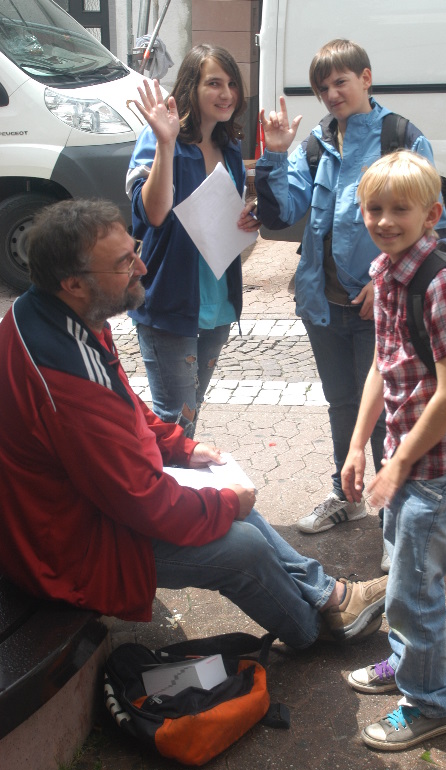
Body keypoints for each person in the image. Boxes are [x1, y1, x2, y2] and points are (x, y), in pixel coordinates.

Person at [0, 198, 387, 650]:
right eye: (124, 263)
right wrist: (226, 504)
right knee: (241, 546)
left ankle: (331, 597)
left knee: (222, 492)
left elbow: (122, 408)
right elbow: (140, 502)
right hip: (68, 550)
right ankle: (312, 634)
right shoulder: (68, 379)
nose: (142, 267)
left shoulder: (54, 314)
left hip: (80, 508)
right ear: (74, 284)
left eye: (134, 249)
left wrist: (182, 448)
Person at [255, 39, 446, 559]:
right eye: (323, 88)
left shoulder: (400, 137)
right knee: (343, 405)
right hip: (323, 304)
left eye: (341, 82)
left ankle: (393, 516)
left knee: (389, 411)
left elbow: (434, 223)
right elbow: (282, 211)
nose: (332, 94)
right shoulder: (317, 143)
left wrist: (384, 282)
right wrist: (274, 154)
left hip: (378, 306)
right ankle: (349, 495)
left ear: (366, 78)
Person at [341, 151, 446, 751]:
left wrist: (398, 465)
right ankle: (408, 664)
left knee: (414, 589)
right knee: (400, 571)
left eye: (400, 209)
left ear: (431, 214)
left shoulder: (442, 282)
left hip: (434, 465)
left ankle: (430, 703)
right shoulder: (386, 271)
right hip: (401, 457)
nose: (384, 220)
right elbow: (383, 364)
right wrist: (358, 446)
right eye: (373, 208)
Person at [126, 44, 260, 437]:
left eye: (232, 84)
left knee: (190, 411)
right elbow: (152, 214)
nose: (226, 93)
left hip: (217, 301)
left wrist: (248, 215)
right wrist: (166, 144)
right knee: (175, 419)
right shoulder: (157, 139)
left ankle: (174, 475)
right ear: (191, 87)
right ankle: (162, 477)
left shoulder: (229, 147)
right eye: (214, 83)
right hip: (170, 301)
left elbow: (224, 213)